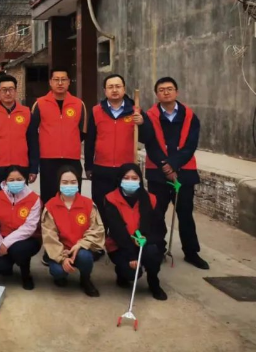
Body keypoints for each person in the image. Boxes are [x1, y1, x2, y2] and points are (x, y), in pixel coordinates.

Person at [143, 77, 208, 270]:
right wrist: (165, 166)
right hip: (157, 172)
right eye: (161, 90)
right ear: (156, 94)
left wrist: (174, 164)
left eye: (169, 89)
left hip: (184, 172)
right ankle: (158, 249)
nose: (166, 92)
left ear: (176, 92)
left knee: (185, 213)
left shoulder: (190, 116)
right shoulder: (149, 116)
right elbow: (150, 143)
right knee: (156, 213)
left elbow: (190, 145)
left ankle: (191, 252)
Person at [84, 74, 145, 224]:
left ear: (124, 89)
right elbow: (89, 141)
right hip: (102, 169)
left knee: (125, 210)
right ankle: (102, 237)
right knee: (101, 208)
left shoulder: (135, 111)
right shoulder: (96, 111)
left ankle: (122, 237)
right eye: (110, 87)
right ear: (105, 91)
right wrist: (88, 166)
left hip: (127, 170)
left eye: (118, 86)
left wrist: (143, 124)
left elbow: (146, 138)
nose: (114, 90)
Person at [104, 163, 167, 300]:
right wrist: (131, 256)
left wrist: (146, 240)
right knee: (131, 273)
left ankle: (153, 281)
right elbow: (117, 231)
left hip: (144, 243)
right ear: (120, 179)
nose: (130, 181)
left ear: (140, 179)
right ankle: (121, 274)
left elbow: (160, 228)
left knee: (152, 252)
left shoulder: (151, 199)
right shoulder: (111, 199)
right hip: (121, 246)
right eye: (126, 178)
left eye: (134, 178)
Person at [42, 166, 105, 297]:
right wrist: (62, 258)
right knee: (58, 272)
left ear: (78, 183)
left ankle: (85, 279)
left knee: (85, 257)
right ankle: (60, 276)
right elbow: (49, 236)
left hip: (81, 249)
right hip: (60, 250)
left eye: (73, 182)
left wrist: (81, 244)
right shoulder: (50, 206)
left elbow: (97, 230)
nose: (69, 185)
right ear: (59, 184)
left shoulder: (88, 204)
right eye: (65, 182)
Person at [30, 69, 87, 203]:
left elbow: (82, 133)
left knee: (73, 198)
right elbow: (32, 134)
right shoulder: (40, 104)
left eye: (63, 79)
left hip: (72, 159)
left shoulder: (79, 104)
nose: (60, 83)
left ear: (69, 82)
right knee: (49, 199)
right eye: (56, 79)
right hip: (48, 160)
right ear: (50, 82)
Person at [0, 166, 42, 290]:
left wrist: (6, 243)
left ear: (25, 180)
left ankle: (26, 274)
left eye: (19, 179)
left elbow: (29, 227)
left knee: (18, 250)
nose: (15, 182)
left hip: (29, 240)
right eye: (11, 180)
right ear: (5, 181)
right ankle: (9, 264)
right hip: (3, 238)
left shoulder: (34, 199)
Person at [0, 75, 34, 195]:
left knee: (21, 201)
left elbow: (33, 142)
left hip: (21, 166)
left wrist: (34, 168)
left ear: (16, 90)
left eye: (11, 89)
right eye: (4, 90)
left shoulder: (26, 112)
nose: (8, 93)